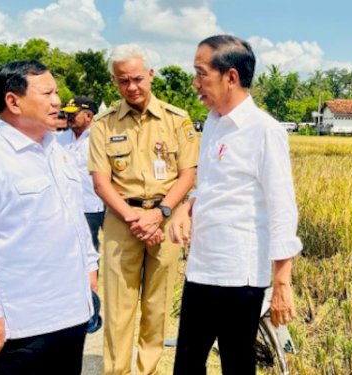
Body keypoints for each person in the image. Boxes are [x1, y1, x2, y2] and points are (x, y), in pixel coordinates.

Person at [0, 60, 99, 374]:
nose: (57, 101)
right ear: (13, 101)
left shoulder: (57, 153)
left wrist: (89, 267)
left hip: (70, 314)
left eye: (56, 91)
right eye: (46, 93)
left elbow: (74, 220)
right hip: (21, 324)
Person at [170, 35, 302, 375]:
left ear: (231, 77)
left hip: (240, 274)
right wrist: (187, 206)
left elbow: (282, 208)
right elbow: (214, 187)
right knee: (186, 361)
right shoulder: (212, 124)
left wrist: (282, 283)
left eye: (201, 74)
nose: (194, 83)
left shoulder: (264, 131)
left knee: (236, 363)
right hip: (201, 267)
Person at [88, 44, 199, 375]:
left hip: (165, 221)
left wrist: (160, 213)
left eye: (137, 78)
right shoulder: (103, 124)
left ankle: (147, 371)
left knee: (157, 305)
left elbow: (188, 174)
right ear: (114, 82)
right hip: (123, 221)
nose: (132, 87)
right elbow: (100, 181)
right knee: (119, 309)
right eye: (123, 81)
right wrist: (133, 216)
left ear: (150, 75)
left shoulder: (177, 120)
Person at [58, 96, 105, 254]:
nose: (69, 117)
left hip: (98, 202)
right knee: (80, 250)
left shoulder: (100, 138)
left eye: (74, 114)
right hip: (72, 203)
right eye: (67, 114)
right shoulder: (60, 139)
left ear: (89, 116)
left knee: (104, 248)